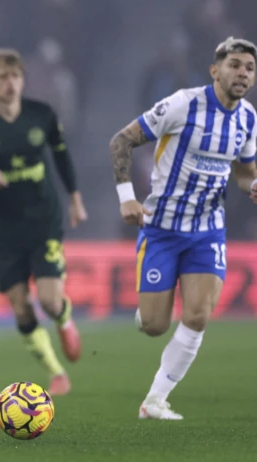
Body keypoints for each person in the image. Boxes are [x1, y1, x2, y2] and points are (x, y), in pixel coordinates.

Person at [109, 37, 257, 420]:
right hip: (161, 228)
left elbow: (244, 172)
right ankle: (149, 312)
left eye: (250, 68)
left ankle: (155, 399)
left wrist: (252, 185)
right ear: (215, 70)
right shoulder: (182, 104)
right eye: (235, 65)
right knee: (156, 325)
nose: (243, 73)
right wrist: (127, 195)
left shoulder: (248, 119)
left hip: (208, 230)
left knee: (198, 316)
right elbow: (121, 141)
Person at [0, 48, 87, 396]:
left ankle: (64, 318)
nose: (10, 83)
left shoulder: (41, 115)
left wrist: (74, 198)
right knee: (20, 304)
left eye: (15, 76)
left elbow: (61, 155)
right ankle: (56, 372)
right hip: (2, 229)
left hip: (43, 219)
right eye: (2, 76)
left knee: (49, 301)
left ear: (22, 80)